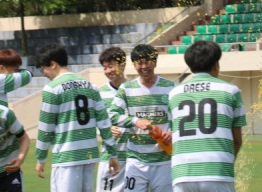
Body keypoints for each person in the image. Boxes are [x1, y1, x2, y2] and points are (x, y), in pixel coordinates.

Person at [33, 44, 119, 192]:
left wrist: (40, 158)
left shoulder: (52, 89)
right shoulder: (91, 86)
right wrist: (113, 153)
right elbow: (104, 123)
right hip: (89, 156)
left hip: (66, 158)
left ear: (53, 64)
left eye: (43, 69)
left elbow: (45, 128)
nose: (44, 74)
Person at [169, 41, 246, 192]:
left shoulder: (174, 94)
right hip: (217, 171)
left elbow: (174, 134)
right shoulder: (230, 91)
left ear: (190, 67)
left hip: (182, 173)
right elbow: (237, 140)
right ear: (216, 64)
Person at [109, 44, 174, 192]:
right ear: (134, 65)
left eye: (148, 62)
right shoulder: (126, 88)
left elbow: (179, 117)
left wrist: (172, 131)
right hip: (136, 161)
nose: (144, 67)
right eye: (139, 63)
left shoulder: (170, 87)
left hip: (164, 161)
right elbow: (112, 115)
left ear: (155, 62)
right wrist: (135, 121)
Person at [96, 46, 129, 192]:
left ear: (122, 65)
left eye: (111, 66)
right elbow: (94, 122)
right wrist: (105, 131)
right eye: (105, 67)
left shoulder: (135, 89)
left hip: (134, 157)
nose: (108, 71)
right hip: (109, 156)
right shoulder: (100, 93)